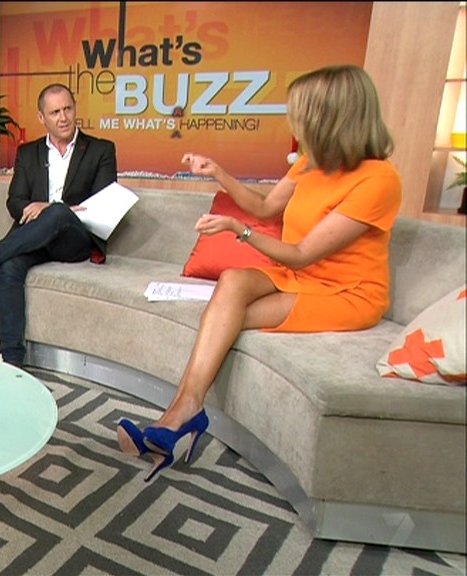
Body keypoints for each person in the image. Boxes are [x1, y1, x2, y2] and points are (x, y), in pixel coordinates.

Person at [117, 64, 402, 481]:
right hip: (299, 276)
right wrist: (217, 173)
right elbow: (267, 207)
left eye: (300, 115)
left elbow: (301, 254)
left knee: (225, 321)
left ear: (330, 119)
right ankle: (185, 411)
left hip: (347, 293)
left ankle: (176, 417)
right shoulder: (310, 163)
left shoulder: (379, 180)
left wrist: (239, 230)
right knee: (232, 281)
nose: (294, 125)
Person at [0, 83, 118, 367]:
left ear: (75, 109)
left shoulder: (101, 150)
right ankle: (12, 361)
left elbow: (102, 205)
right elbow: (15, 201)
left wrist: (50, 208)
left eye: (67, 109)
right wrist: (34, 209)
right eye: (55, 112)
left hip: (74, 238)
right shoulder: (29, 153)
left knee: (57, 212)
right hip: (36, 239)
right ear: (42, 117)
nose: (63, 117)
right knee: (8, 267)